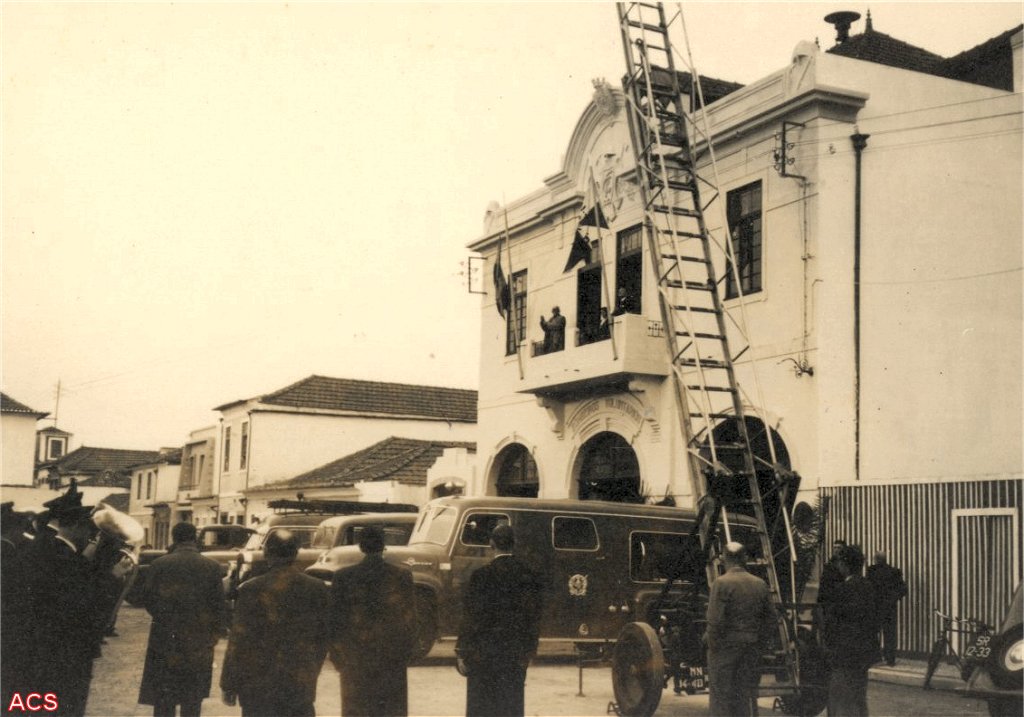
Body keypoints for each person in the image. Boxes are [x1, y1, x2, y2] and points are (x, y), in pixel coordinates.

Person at [17, 486, 108, 716]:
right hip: (65, 649)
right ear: (76, 526)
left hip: (49, 646)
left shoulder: (53, 551)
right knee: (66, 703)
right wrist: (111, 580)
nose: (88, 536)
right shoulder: (65, 557)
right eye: (86, 529)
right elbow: (78, 603)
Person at [222, 530, 330, 717]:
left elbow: (239, 640)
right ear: (295, 554)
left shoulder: (251, 589)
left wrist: (229, 683)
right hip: (298, 683)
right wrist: (312, 669)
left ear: (266, 554)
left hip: (258, 686)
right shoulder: (316, 588)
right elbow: (324, 636)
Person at [138, 522, 226, 717]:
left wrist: (164, 618)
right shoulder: (212, 566)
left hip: (165, 637)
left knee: (164, 697)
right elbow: (219, 605)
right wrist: (213, 634)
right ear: (194, 538)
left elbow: (148, 599)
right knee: (192, 699)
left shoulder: (159, 564)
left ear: (174, 538)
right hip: (198, 639)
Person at [456, 524, 543, 717]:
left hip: (483, 656)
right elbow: (533, 618)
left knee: (482, 708)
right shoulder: (529, 576)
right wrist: (529, 652)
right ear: (514, 544)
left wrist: (462, 651)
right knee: (510, 706)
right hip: (514, 656)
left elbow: (470, 617)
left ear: (491, 544)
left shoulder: (480, 576)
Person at [329, 525, 417, 716]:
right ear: (383, 545)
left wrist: (337, 656)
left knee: (357, 708)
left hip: (355, 658)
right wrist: (405, 654)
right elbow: (409, 620)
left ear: (360, 546)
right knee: (390, 709)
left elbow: (335, 621)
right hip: (390, 658)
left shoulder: (343, 577)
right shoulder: (401, 576)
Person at [704, 541, 776, 717]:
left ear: (724, 559)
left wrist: (712, 647)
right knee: (743, 696)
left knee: (721, 699)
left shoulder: (721, 583)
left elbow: (715, 621)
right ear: (744, 558)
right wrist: (759, 644)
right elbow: (771, 619)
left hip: (725, 650)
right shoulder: (760, 584)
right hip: (751, 649)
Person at [821, 544, 878, 717]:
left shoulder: (842, 590)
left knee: (841, 698)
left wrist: (828, 646)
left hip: (844, 652)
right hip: (864, 652)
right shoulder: (869, 587)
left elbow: (831, 622)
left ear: (845, 565)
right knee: (859, 696)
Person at [866, 551, 907, 666]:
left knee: (873, 632)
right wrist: (894, 599)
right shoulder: (894, 571)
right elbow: (903, 589)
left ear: (875, 559)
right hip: (889, 608)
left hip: (875, 607)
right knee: (890, 634)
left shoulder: (871, 571)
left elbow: (868, 588)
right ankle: (890, 659)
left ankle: (875, 658)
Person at [818, 539, 847, 605]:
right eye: (835, 548)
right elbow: (823, 582)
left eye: (839, 548)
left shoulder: (847, 564)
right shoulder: (829, 565)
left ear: (844, 549)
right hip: (831, 595)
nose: (836, 550)